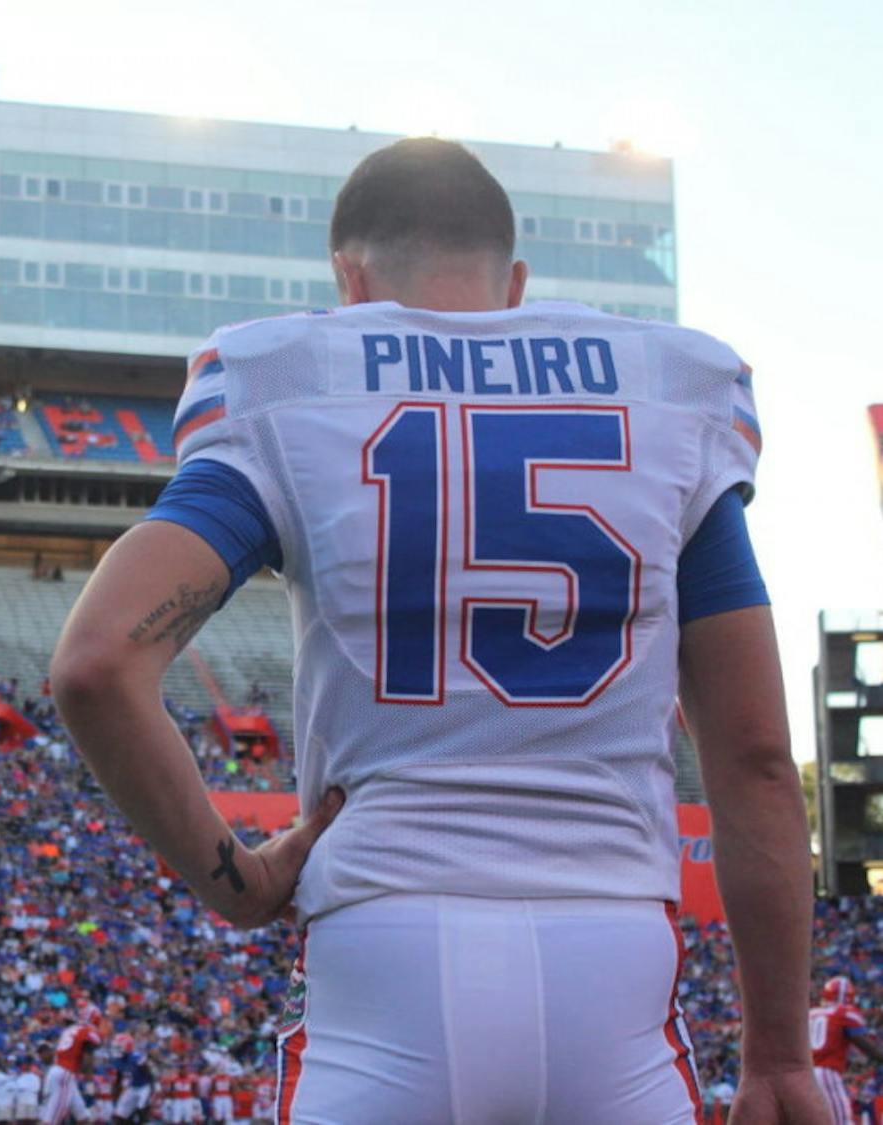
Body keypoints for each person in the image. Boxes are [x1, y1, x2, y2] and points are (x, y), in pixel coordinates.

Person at [51, 137, 825, 1122]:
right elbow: (756, 760)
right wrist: (778, 1055)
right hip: (615, 959)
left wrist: (239, 883)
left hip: (385, 955)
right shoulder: (671, 391)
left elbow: (95, 664)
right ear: (517, 283)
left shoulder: (293, 381)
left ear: (350, 275)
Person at [811, 976, 883, 1124]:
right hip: (826, 1072)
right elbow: (866, 1046)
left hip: (804, 1072)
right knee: (842, 1120)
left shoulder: (811, 1013)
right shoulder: (844, 1013)